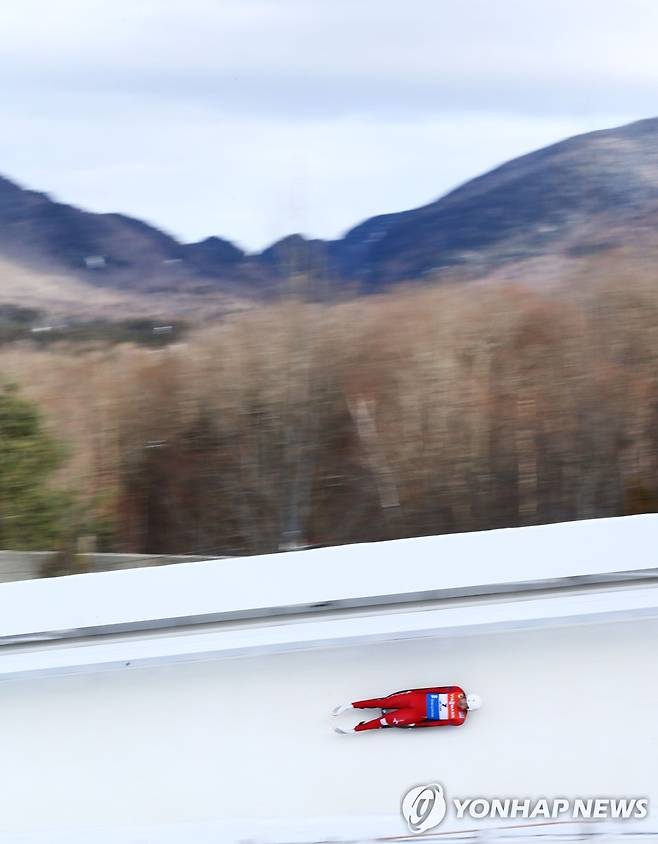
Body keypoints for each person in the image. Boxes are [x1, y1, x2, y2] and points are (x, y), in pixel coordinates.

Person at [332, 686, 482, 733]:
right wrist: (410, 692)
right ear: (464, 696)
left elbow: (434, 724)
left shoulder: (458, 719)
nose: (462, 703)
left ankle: (355, 729)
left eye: (466, 705)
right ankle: (350, 705)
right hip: (414, 699)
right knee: (383, 702)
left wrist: (415, 725)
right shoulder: (455, 691)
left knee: (385, 721)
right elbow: (433, 688)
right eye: (464, 700)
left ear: (468, 709)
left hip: (415, 714)